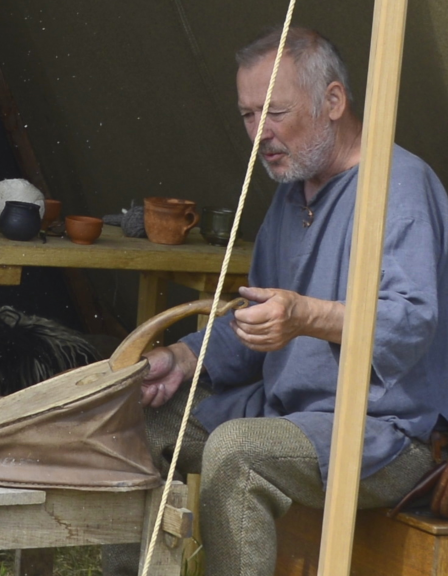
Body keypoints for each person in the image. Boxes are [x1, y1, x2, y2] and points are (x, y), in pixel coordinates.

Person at [106, 27, 448, 576]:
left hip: (386, 434)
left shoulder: (399, 185)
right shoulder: (292, 195)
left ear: (333, 101)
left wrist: (306, 315)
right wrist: (185, 358)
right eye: (247, 115)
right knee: (133, 424)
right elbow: (255, 327)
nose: (259, 133)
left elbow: (412, 324)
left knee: (238, 453)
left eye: (275, 112)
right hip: (287, 414)